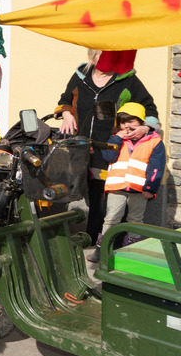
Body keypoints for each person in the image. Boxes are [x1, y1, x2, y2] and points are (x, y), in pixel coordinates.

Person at [55, 49, 158, 240]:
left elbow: (149, 107)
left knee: (107, 194)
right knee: (89, 192)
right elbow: (65, 100)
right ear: (93, 56)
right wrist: (67, 114)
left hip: (111, 148)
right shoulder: (81, 75)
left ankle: (111, 240)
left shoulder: (126, 79)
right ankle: (92, 236)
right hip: (81, 147)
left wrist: (146, 128)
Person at [87, 102, 165, 262]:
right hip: (117, 187)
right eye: (122, 122)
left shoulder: (154, 141)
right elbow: (109, 157)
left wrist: (150, 187)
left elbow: (156, 167)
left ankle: (131, 252)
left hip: (139, 188)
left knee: (135, 219)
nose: (126, 126)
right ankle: (101, 251)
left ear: (141, 122)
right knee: (111, 218)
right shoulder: (116, 139)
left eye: (131, 121)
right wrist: (116, 138)